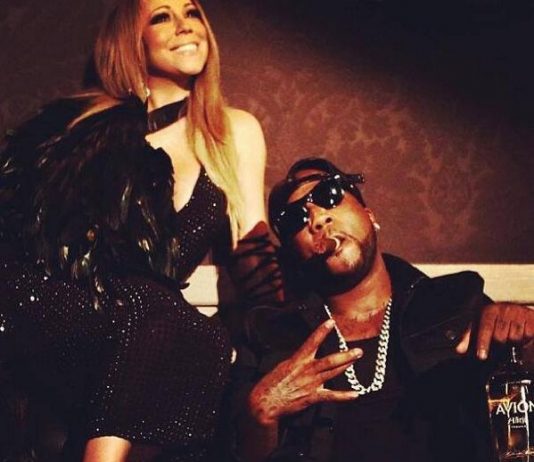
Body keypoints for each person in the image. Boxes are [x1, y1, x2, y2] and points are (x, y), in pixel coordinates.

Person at [0, 0, 282, 461]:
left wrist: (283, 330)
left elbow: (253, 243)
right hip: (45, 300)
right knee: (148, 307)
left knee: (197, 334)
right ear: (133, 39)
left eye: (191, 13)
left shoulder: (231, 130)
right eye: (161, 16)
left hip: (141, 326)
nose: (184, 26)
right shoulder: (82, 123)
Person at [234, 157, 534, 462]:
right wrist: (260, 417)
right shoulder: (266, 335)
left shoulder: (456, 302)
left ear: (369, 215)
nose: (317, 220)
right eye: (294, 219)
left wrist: (526, 335)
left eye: (328, 195)